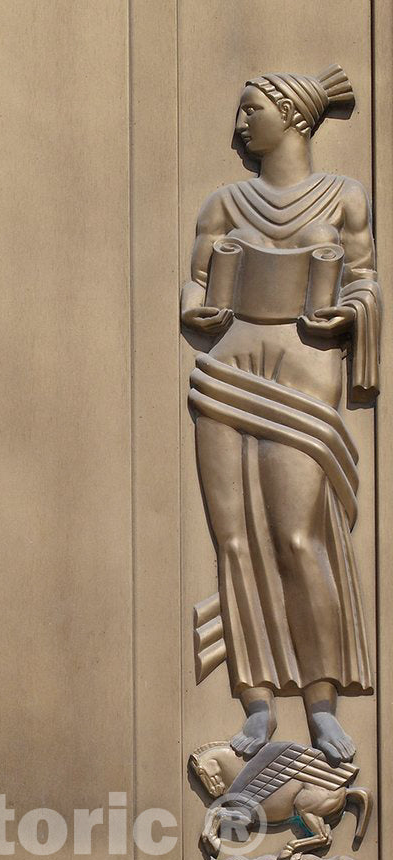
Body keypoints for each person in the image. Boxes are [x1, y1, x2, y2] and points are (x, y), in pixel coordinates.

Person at [181, 65, 380, 765]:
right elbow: (197, 284)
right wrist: (197, 304)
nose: (239, 126)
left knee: (298, 537)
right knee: (234, 540)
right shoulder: (224, 203)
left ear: (294, 118)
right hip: (229, 368)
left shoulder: (343, 197)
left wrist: (350, 309)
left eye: (251, 110)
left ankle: (321, 706)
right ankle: (258, 704)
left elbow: (365, 281)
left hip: (303, 370)